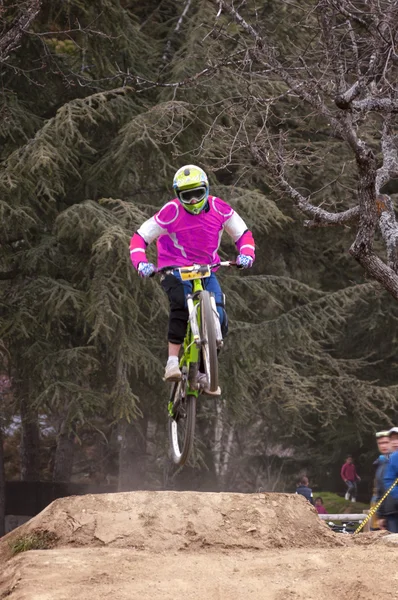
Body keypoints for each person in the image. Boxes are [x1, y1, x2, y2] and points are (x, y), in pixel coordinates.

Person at [129, 165, 255, 394]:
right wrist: (142, 264)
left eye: (198, 192)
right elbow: (140, 238)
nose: (194, 199)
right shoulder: (171, 212)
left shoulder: (220, 208)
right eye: (187, 195)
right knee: (180, 304)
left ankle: (206, 372)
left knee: (221, 315)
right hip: (173, 268)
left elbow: (243, 234)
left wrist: (246, 254)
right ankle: (172, 362)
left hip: (207, 268)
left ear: (206, 189)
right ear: (178, 196)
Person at [371, 430, 391, 530]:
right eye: (380, 443)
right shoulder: (379, 463)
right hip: (381, 507)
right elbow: (379, 491)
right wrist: (380, 515)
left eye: (386, 442)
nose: (383, 446)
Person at [382, 427, 398, 533]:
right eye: (393, 439)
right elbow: (388, 481)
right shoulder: (393, 458)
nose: (395, 441)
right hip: (393, 509)